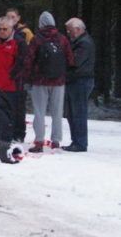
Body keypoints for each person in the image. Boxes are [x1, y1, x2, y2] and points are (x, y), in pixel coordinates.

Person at [24, 11, 74, 153]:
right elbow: (70, 59)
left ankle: (39, 141)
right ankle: (56, 141)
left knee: (39, 112)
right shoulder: (62, 39)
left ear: (41, 24)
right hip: (59, 82)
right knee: (57, 112)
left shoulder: (37, 39)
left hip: (39, 81)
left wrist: (28, 79)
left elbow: (29, 61)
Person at [0, 17, 25, 136]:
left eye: (5, 29)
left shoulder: (19, 42)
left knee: (9, 112)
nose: (2, 31)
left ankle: (10, 136)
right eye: (0, 29)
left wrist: (12, 76)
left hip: (10, 85)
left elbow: (22, 62)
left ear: (11, 28)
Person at [63, 17, 95, 152]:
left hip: (81, 81)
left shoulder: (84, 44)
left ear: (78, 29)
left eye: (69, 30)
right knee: (72, 113)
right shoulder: (79, 42)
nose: (68, 33)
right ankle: (76, 141)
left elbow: (75, 62)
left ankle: (80, 143)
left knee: (78, 113)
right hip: (74, 81)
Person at [5, 7, 33, 142]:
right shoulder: (3, 32)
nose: (11, 19)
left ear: (18, 18)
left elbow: (31, 52)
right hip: (6, 74)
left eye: (13, 16)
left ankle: (19, 133)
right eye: (8, 16)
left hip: (20, 74)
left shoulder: (25, 33)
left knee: (19, 105)